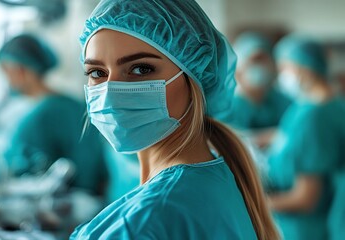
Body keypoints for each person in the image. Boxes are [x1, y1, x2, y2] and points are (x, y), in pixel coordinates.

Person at [70, 1, 279, 239]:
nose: (111, 91)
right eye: (97, 73)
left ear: (195, 78)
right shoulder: (214, 178)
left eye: (141, 69)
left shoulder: (146, 221)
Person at [0, 33, 107, 194]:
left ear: (19, 70)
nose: (6, 79)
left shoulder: (39, 116)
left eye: (6, 70)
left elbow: (26, 173)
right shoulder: (72, 104)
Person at [266, 35, 345, 240]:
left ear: (304, 67)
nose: (281, 75)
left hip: (308, 229)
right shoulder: (324, 104)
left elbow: (306, 198)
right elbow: (294, 137)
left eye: (285, 68)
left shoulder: (314, 116)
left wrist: (254, 203)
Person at [224, 32, 291, 131]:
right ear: (238, 69)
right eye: (254, 61)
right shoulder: (230, 106)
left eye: (263, 61)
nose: (259, 67)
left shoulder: (283, 101)